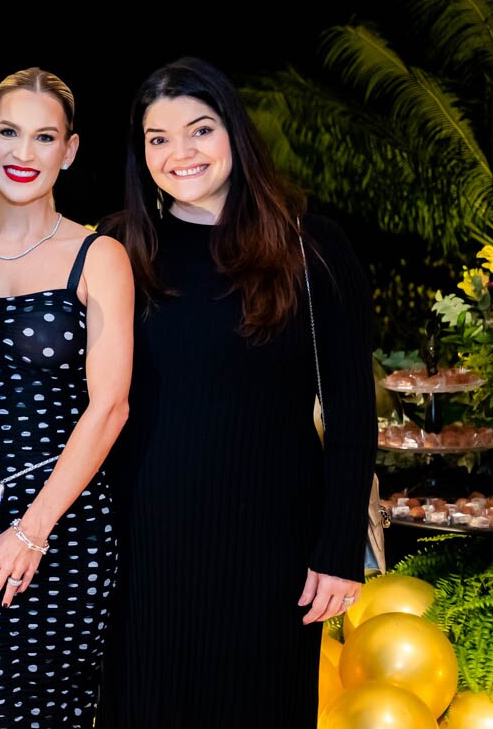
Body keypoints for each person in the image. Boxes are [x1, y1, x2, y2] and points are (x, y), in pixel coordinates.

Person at [95, 56, 377, 726]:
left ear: (235, 134)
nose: (179, 153)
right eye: (157, 138)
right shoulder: (118, 247)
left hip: (273, 548)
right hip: (142, 545)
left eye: (199, 130)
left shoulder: (312, 245)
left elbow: (351, 407)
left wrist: (338, 550)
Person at [0, 67, 134, 728]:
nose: (24, 154)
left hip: (64, 524)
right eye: (10, 133)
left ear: (69, 151)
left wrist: (31, 530)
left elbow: (111, 407)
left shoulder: (98, 256)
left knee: (60, 712)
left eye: (44, 137)